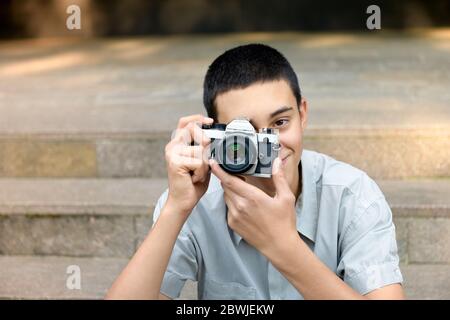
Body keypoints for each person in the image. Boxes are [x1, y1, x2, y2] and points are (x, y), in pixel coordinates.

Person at [106, 44, 404, 300]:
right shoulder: (194, 201)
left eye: (280, 123)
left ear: (302, 115)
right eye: (246, 133)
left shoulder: (352, 195)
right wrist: (175, 208)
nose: (271, 145)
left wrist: (284, 249)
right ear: (214, 133)